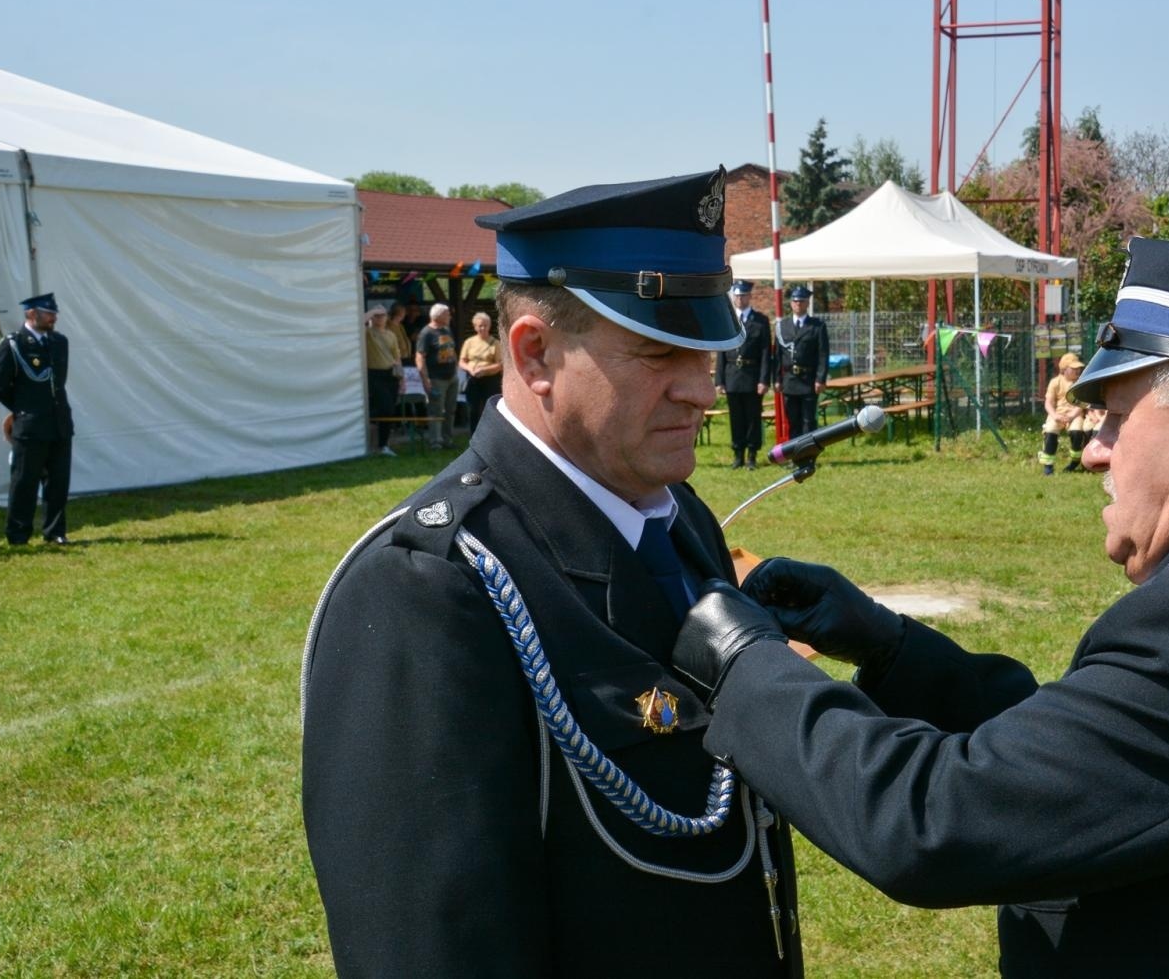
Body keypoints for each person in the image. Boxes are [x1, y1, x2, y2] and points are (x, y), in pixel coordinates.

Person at [670, 238, 1169, 974]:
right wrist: (887, 646)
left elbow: (936, 822)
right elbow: (1090, 759)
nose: (1093, 449)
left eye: (1115, 416)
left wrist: (748, 667)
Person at [301, 168, 802, 977]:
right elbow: (431, 945)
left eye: (708, 354)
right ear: (534, 354)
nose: (703, 392)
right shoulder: (429, 589)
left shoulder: (678, 518)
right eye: (658, 354)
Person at [0, 292, 75, 546]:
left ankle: (55, 531)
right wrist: (23, 409)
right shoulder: (14, 344)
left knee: (58, 482)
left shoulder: (60, 342)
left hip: (58, 422)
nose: (53, 318)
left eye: (54, 313)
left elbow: (58, 383)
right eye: (48, 313)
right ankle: (18, 534)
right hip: (30, 425)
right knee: (24, 483)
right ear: (31, 314)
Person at [716, 279, 773, 469]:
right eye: (737, 296)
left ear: (749, 296)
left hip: (752, 375)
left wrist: (764, 379)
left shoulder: (760, 321)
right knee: (736, 418)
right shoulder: (727, 319)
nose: (740, 299)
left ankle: (752, 455)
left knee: (752, 417)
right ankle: (737, 453)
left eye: (743, 296)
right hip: (732, 374)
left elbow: (766, 352)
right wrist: (719, 380)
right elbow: (721, 351)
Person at [776, 285, 827, 437]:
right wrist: (777, 379)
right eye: (795, 301)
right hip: (790, 380)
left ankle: (808, 456)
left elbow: (823, 354)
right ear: (791, 303)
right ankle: (794, 454)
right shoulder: (783, 326)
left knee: (808, 420)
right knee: (793, 420)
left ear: (807, 303)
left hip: (808, 380)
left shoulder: (817, 326)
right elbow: (778, 355)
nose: (798, 304)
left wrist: (820, 378)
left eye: (802, 301)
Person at [1038, 351, 1096, 474]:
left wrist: (1071, 416)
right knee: (1050, 430)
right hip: (1058, 414)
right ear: (1064, 369)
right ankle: (1048, 465)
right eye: (1073, 368)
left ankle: (1075, 461)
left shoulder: (1080, 382)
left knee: (1077, 432)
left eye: (1079, 368)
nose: (1077, 371)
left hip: (1075, 415)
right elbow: (1048, 402)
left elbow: (1082, 403)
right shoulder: (1055, 382)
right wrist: (1054, 415)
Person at [415, 303, 459, 448]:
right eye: (447, 314)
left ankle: (448, 439)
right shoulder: (426, 333)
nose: (450, 316)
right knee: (436, 410)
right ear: (438, 316)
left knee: (450, 409)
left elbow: (451, 349)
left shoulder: (446, 329)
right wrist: (425, 380)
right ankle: (435, 441)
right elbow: (420, 356)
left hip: (452, 376)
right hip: (436, 378)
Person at [363, 306, 402, 457]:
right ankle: (378, 444)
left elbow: (396, 357)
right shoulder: (367, 333)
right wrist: (372, 312)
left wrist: (401, 377)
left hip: (390, 375)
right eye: (377, 316)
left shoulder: (391, 334)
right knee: (384, 408)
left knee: (390, 411)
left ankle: (383, 445)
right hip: (374, 374)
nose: (380, 318)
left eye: (383, 315)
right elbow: (356, 324)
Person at [458, 310, 504, 434]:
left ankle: (491, 433)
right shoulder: (469, 342)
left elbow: (500, 364)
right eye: (479, 325)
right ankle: (474, 434)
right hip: (473, 379)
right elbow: (462, 361)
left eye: (485, 325)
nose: (482, 328)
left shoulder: (496, 343)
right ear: (475, 326)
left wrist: (484, 369)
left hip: (490, 380)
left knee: (490, 408)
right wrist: (470, 369)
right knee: (473, 408)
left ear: (489, 326)